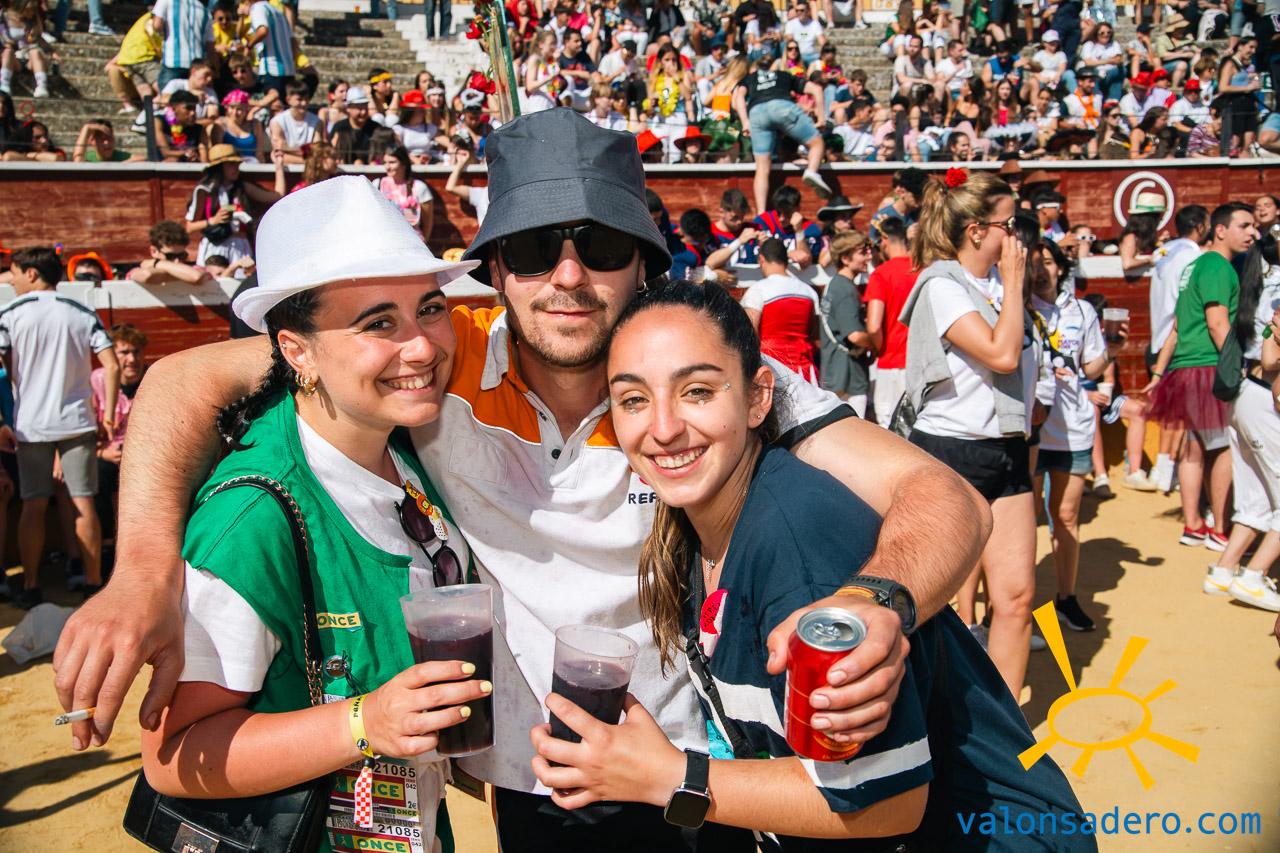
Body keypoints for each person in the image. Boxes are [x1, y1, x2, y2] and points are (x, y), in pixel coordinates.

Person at [55, 112, 989, 850]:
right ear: (496, 267)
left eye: (601, 245)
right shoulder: (434, 359)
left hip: (693, 766)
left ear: (644, 263)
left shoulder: (692, 380)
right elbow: (181, 382)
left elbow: (945, 496)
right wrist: (142, 571)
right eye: (536, 247)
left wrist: (879, 598)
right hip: (530, 782)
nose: (567, 276)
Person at [529, 279, 1095, 852]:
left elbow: (882, 802)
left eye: (697, 391)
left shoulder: (795, 543)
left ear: (758, 397)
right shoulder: (694, 531)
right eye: (633, 399)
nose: (664, 427)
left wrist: (668, 777)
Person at [139, 176, 487, 853]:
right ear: (296, 351)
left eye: (430, 308)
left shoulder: (402, 449)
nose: (423, 347)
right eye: (378, 323)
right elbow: (172, 755)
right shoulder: (254, 518)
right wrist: (365, 722)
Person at [900, 169, 1038, 700]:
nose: (1018, 236)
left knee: (1017, 597)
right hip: (949, 452)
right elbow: (1002, 354)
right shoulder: (942, 285)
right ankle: (931, 716)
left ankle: (1008, 725)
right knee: (930, 602)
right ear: (977, 230)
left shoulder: (999, 286)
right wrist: (1016, 285)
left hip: (1006, 449)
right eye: (1010, 224)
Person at [1, 246, 119, 608]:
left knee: (33, 505)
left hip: (31, 424)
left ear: (32, 273)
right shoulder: (80, 311)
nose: (12, 280)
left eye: (14, 272)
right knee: (83, 501)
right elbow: (112, 365)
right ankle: (93, 583)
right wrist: (108, 416)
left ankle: (31, 585)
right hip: (77, 420)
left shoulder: (10, 314)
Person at [1149, 202, 1259, 551]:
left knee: (1194, 447)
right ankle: (1220, 528)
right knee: (1223, 447)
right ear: (1220, 230)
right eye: (1245, 225)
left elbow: (1178, 326)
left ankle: (1194, 524)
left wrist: (1159, 369)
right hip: (1210, 365)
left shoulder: (1195, 265)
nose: (1252, 233)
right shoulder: (1217, 266)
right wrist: (1237, 365)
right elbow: (1217, 322)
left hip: (1186, 365)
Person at [1030, 238, 1127, 633]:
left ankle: (1066, 598)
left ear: (1061, 267)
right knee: (1026, 522)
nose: (1040, 270)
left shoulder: (1082, 310)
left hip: (1073, 429)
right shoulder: (1018, 308)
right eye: (1033, 263)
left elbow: (1091, 366)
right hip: (1031, 430)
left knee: (1066, 517)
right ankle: (1018, 605)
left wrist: (1114, 350)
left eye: (1047, 262)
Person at [1204, 237, 1280, 611]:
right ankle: (1253, 575)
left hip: (1247, 393)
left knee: (1257, 495)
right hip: (1268, 397)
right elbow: (1272, 359)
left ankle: (1224, 570)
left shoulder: (1260, 282)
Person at [1147, 204, 1209, 492]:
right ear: (1200, 227)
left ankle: (1163, 470)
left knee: (1172, 412)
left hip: (1157, 338)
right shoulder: (1193, 256)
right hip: (1177, 340)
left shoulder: (1163, 251)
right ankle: (1165, 471)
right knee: (1181, 414)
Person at [734, 56, 832, 215]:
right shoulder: (784, 75)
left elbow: (738, 96)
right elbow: (817, 89)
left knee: (762, 168)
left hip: (757, 112)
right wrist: (821, 118)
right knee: (817, 144)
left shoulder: (750, 78)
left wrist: (745, 121)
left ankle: (761, 213)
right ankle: (812, 171)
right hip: (782, 106)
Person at [93, 323, 148, 541]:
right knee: (97, 474)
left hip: (143, 454)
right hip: (106, 453)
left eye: (136, 352)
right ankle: (107, 542)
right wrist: (102, 452)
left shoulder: (153, 379)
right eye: (124, 353)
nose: (132, 359)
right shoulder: (97, 380)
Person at [740, 237, 820, 383]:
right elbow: (815, 336)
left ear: (761, 259)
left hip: (773, 370)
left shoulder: (758, 289)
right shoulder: (809, 291)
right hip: (805, 371)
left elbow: (749, 334)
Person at [186, 144, 280, 267]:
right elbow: (189, 227)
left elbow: (276, 197)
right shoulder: (204, 190)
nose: (236, 168)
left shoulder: (241, 187)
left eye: (237, 164)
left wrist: (279, 167)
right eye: (231, 164)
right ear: (219, 167)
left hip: (239, 247)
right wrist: (213, 220)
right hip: (214, 246)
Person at [863, 215, 915, 428]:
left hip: (891, 361)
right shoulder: (924, 270)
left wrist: (878, 348)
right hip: (921, 362)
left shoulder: (881, 274)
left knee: (888, 427)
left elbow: (874, 326)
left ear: (884, 240)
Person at [819, 230, 874, 416]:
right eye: (862, 252)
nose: (869, 256)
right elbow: (855, 336)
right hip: (849, 376)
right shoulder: (845, 289)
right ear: (845, 258)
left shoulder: (835, 284)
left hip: (837, 372)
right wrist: (877, 342)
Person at [105, 11, 163, 113]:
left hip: (130, 58)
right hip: (144, 55)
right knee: (162, 87)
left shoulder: (142, 22)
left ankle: (148, 109)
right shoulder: (156, 17)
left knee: (143, 87)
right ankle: (155, 105)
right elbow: (154, 33)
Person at [129, 220, 218, 286]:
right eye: (170, 256)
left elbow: (196, 276)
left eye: (182, 255)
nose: (177, 261)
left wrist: (157, 263)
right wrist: (180, 274)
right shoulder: (138, 271)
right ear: (154, 251)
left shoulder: (196, 269)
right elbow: (147, 275)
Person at [377, 145, 434, 243]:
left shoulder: (419, 187)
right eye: (385, 162)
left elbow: (427, 221)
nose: (387, 167)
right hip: (385, 241)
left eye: (392, 162)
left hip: (412, 242)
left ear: (404, 163)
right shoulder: (377, 184)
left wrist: (424, 242)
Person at [151, 0, 214, 89]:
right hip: (197, 65)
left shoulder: (166, 1)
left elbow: (157, 26)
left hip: (173, 62)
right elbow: (210, 45)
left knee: (168, 96)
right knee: (194, 96)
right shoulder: (204, 10)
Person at [244, 0, 295, 102]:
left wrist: (248, 46)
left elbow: (262, 30)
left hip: (272, 69)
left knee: (270, 105)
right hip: (288, 70)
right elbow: (292, 41)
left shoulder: (258, 7)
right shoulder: (278, 12)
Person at [0, 0, 50, 97]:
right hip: (12, 58)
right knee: (8, 51)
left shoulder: (32, 20)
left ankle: (42, 86)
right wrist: (6, 44)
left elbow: (39, 37)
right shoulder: (4, 17)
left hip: (29, 58)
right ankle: (4, 83)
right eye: (29, 10)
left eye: (33, 10)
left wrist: (36, 20)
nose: (32, 12)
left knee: (35, 52)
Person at [269, 78, 324, 162]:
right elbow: (278, 150)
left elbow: (317, 150)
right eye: (299, 99)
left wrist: (287, 148)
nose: (304, 103)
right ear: (288, 100)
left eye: (306, 99)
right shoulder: (277, 122)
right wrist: (308, 156)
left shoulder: (317, 121)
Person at [868, 167, 927, 243]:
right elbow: (875, 248)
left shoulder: (924, 213)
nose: (922, 201)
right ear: (902, 192)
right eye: (917, 196)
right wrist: (905, 239)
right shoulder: (882, 218)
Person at [154, 89, 210, 162]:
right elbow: (166, 153)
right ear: (174, 108)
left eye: (194, 109)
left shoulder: (199, 129)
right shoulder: (159, 122)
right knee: (173, 160)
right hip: (164, 165)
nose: (193, 113)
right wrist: (186, 153)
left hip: (191, 166)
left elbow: (204, 161)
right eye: (188, 108)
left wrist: (196, 158)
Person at [215, 88, 268, 162]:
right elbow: (217, 153)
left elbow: (259, 153)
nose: (235, 112)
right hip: (229, 164)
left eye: (239, 109)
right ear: (227, 108)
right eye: (232, 107)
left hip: (252, 165)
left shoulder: (255, 124)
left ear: (246, 110)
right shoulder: (221, 124)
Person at [331, 85, 376, 164]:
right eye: (359, 108)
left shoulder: (375, 128)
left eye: (365, 107)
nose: (363, 112)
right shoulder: (340, 128)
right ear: (348, 108)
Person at [72, 120, 142, 163]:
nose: (106, 143)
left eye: (109, 138)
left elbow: (143, 159)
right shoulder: (89, 157)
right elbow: (77, 161)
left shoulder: (120, 156)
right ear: (91, 141)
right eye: (101, 139)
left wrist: (119, 166)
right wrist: (86, 128)